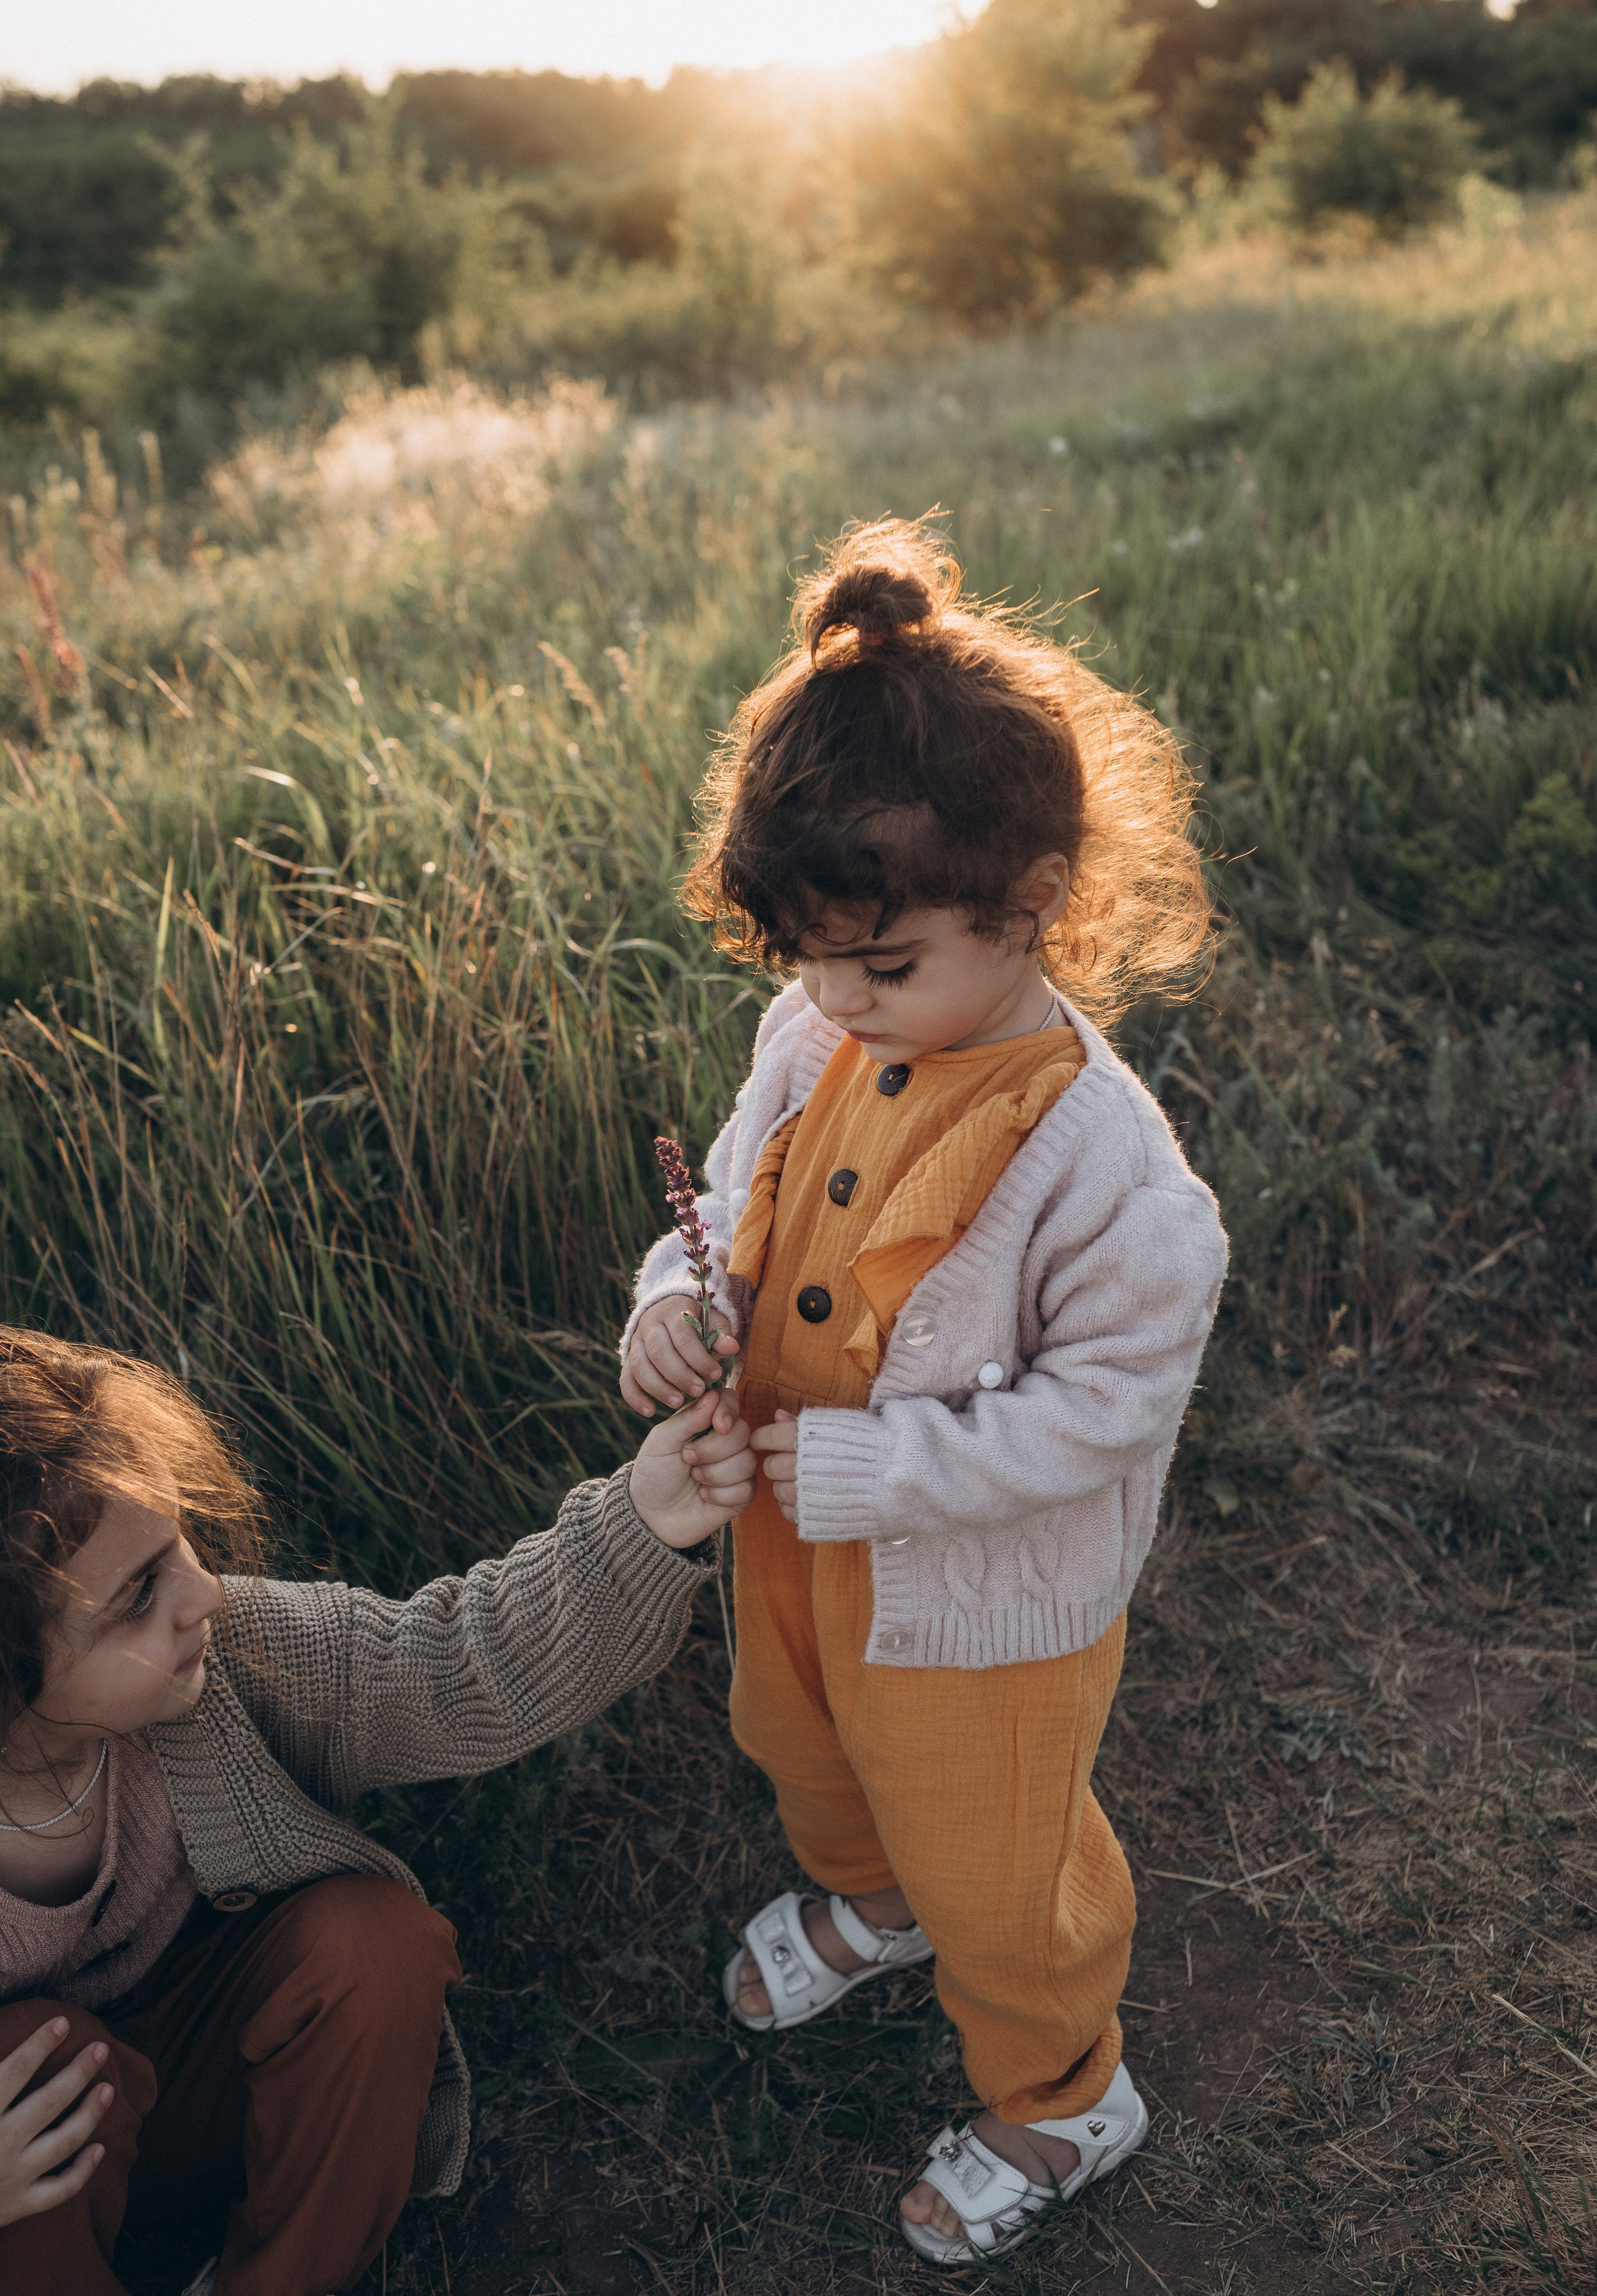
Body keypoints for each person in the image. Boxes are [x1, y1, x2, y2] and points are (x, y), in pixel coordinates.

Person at [620, 518, 1228, 2265]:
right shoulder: (816, 1033)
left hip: (983, 1606)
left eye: (884, 967)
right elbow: (729, 1208)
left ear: (1031, 895)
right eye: (809, 959)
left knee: (997, 1858)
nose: (838, 1002)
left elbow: (1098, 1415)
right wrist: (674, 1307)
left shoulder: (1111, 1175)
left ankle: (1060, 2089)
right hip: (798, 1536)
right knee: (795, 1740)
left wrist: (872, 1467)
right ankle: (871, 1905)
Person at [0, 1330, 755, 2295]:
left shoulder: (226, 1657)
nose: (198, 1594)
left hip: (216, 2080)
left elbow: (445, 1668)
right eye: (136, 1595)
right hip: (24, 2188)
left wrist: (644, 1526)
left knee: (372, 1944)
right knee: (34, 2058)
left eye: (179, 1538)